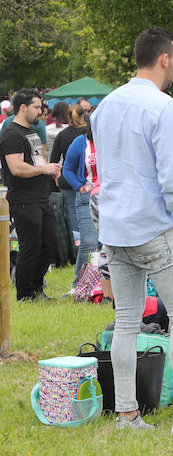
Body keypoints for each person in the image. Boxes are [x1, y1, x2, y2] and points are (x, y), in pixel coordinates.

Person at [92, 26, 173, 434]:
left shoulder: (103, 106)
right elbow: (170, 176)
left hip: (115, 228)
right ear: (164, 58)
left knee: (126, 320)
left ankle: (127, 414)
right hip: (156, 226)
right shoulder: (163, 107)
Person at [0, 89, 60, 301]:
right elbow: (16, 168)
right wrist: (43, 169)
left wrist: (50, 168)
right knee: (31, 246)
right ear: (23, 107)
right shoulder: (11, 134)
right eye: (36, 107)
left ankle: (36, 289)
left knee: (50, 243)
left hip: (41, 196)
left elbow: (36, 162)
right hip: (24, 199)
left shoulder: (31, 132)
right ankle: (25, 295)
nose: (41, 111)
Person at [62, 120, 100, 281]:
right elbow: (67, 169)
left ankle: (107, 286)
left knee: (110, 245)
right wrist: (79, 186)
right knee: (89, 243)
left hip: (113, 197)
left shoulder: (116, 140)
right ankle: (79, 284)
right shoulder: (80, 142)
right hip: (87, 196)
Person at [49, 104, 87, 229]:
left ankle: (75, 242)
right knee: (86, 214)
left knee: (71, 212)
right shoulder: (88, 134)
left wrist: (57, 177)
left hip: (66, 178)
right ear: (83, 116)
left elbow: (53, 159)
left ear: (68, 117)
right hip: (85, 179)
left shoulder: (62, 134)